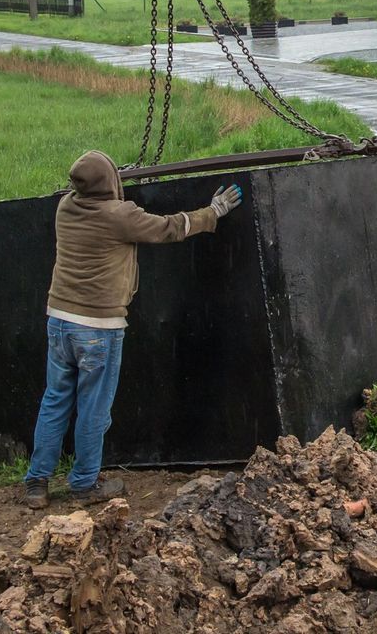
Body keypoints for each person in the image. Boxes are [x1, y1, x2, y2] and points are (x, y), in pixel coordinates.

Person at [24, 150, 243, 508]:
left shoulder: (66, 207)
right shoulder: (118, 216)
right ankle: (83, 484)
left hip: (60, 320)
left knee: (55, 401)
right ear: (110, 182)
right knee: (94, 409)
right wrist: (213, 212)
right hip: (98, 326)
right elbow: (170, 228)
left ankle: (37, 483)